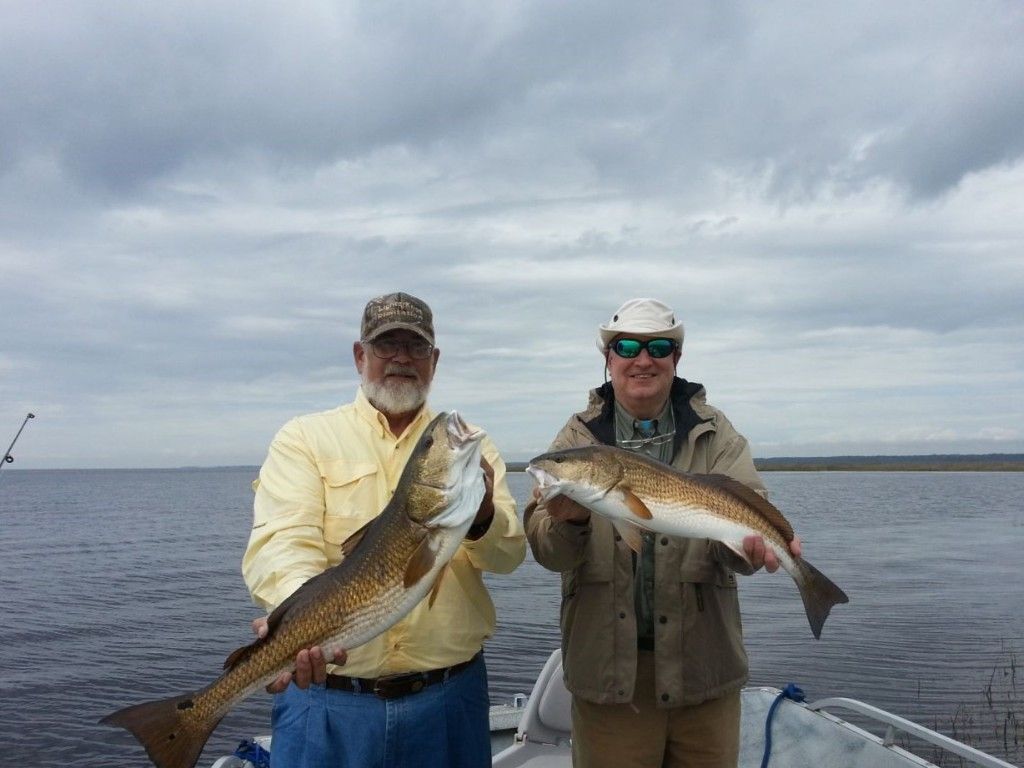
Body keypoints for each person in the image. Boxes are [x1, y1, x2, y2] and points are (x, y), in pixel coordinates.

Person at [242, 291, 526, 768]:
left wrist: (480, 519)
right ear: (360, 355)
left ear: (434, 360)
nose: (401, 359)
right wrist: (300, 623)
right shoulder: (305, 438)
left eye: (415, 347)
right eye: (385, 345)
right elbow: (282, 543)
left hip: (450, 700)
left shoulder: (470, 447)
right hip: (326, 703)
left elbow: (509, 556)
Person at [525, 297, 801, 768]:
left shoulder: (716, 434)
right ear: (608, 359)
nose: (643, 358)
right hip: (610, 679)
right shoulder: (577, 439)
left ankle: (809, 581)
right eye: (627, 346)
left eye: (658, 347)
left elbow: (746, 521)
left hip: (703, 675)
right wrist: (568, 520)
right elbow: (549, 553)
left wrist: (750, 552)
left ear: (676, 358)